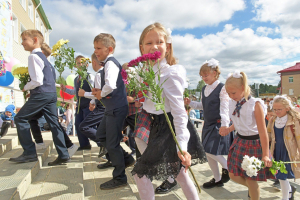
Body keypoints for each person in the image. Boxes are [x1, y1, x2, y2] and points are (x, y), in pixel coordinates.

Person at [131, 22, 200, 200]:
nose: (154, 46)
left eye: (159, 42)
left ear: (167, 48)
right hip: (154, 125)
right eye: (149, 43)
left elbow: (179, 113)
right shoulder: (143, 72)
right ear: (141, 48)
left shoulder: (169, 75)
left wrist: (182, 146)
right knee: (179, 175)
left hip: (170, 128)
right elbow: (147, 104)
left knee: (142, 173)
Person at [9, 30, 69, 166]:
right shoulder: (44, 58)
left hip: (41, 93)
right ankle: (63, 154)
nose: (22, 42)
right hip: (51, 94)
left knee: (20, 118)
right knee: (54, 124)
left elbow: (37, 80)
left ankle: (29, 153)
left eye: (25, 39)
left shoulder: (33, 57)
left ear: (35, 40)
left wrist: (26, 87)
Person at [92, 33, 134, 190]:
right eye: (94, 48)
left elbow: (110, 86)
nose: (96, 51)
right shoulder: (108, 63)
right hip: (112, 108)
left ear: (109, 49)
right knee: (101, 135)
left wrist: (100, 93)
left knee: (111, 143)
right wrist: (99, 93)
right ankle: (126, 159)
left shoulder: (110, 63)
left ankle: (120, 177)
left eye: (98, 48)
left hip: (116, 108)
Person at [223, 70, 273, 200]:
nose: (230, 96)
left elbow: (262, 131)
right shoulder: (232, 103)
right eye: (228, 93)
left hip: (254, 143)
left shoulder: (255, 104)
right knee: (233, 174)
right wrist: (230, 128)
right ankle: (253, 190)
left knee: (251, 178)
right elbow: (240, 121)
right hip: (239, 141)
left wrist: (266, 154)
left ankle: (254, 195)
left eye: (233, 93)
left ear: (243, 88)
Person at [185, 58, 234, 189]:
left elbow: (225, 107)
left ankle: (228, 167)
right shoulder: (204, 89)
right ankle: (217, 179)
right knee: (208, 153)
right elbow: (203, 105)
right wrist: (190, 103)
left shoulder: (222, 88)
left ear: (215, 73)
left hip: (218, 124)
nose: (203, 78)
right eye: (202, 76)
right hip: (207, 124)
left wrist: (225, 125)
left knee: (210, 151)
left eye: (206, 75)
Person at [27, 43, 78, 156]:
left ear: (42, 53)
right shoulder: (50, 66)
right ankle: (68, 145)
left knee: (34, 119)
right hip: (48, 96)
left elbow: (41, 81)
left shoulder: (41, 63)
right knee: (51, 122)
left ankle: (42, 144)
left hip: (43, 96)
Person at [267, 95, 299, 200]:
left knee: (282, 176)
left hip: (289, 152)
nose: (276, 112)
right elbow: (268, 135)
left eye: (279, 109)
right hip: (276, 151)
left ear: (287, 108)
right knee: (280, 176)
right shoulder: (273, 120)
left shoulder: (294, 120)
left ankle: (287, 195)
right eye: (275, 109)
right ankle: (288, 193)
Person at [61, 55, 95, 150]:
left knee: (89, 126)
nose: (79, 65)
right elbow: (74, 92)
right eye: (78, 63)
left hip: (88, 104)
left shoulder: (89, 76)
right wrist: (65, 89)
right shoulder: (77, 79)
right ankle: (84, 144)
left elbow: (94, 90)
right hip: (80, 105)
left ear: (86, 64)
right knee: (78, 124)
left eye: (81, 63)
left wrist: (93, 102)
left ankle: (102, 142)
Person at [77, 53, 107, 158]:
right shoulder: (104, 73)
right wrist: (93, 102)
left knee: (84, 126)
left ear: (93, 63)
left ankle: (105, 143)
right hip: (103, 105)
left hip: (102, 107)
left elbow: (99, 93)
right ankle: (107, 151)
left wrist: (84, 94)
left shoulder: (98, 75)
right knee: (102, 129)